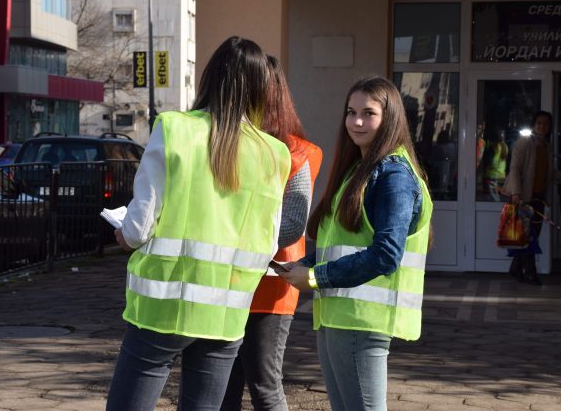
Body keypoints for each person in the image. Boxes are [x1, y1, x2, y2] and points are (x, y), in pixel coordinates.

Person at [106, 36, 291, 411]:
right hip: (226, 310)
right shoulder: (275, 153)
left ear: (211, 78)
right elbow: (270, 241)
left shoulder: (175, 129)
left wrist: (123, 235)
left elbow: (139, 228)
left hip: (164, 306)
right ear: (260, 88)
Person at [279, 76, 433, 411]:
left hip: (362, 322)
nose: (357, 121)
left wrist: (317, 277)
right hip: (339, 317)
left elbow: (386, 255)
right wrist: (306, 266)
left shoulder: (393, 175)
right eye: (351, 112)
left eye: (368, 113)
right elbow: (342, 244)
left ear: (389, 117)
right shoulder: (359, 171)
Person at [221, 56, 322, 411]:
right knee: (223, 386)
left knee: (263, 383)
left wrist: (227, 234)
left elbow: (292, 225)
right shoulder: (231, 144)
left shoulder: (298, 152)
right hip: (229, 280)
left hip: (271, 283)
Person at [502, 110, 561, 285]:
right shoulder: (524, 142)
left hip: (538, 197)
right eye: (539, 123)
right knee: (527, 236)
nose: (542, 126)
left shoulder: (545, 145)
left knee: (530, 236)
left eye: (546, 124)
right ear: (533, 125)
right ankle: (530, 273)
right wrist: (516, 193)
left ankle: (515, 268)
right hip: (522, 197)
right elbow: (515, 169)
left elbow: (546, 172)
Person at [482, 127, 508, 201]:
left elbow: (490, 162)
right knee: (500, 198)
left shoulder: (493, 147)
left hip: (491, 176)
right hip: (502, 176)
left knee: (493, 200)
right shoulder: (505, 147)